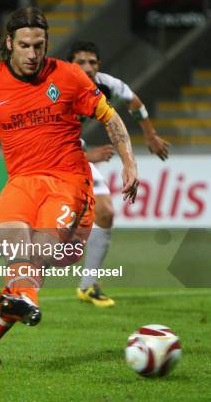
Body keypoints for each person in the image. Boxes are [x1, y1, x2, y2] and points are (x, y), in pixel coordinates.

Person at [0, 7, 139, 367]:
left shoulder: (69, 76)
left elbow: (109, 116)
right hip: (21, 181)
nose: (33, 54)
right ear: (9, 43)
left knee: (35, 256)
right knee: (10, 242)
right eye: (25, 46)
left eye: (39, 45)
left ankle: (20, 302)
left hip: (68, 182)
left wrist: (129, 162)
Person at [69, 40, 170, 307]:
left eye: (92, 62)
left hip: (75, 155)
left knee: (105, 213)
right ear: (70, 65)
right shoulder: (56, 87)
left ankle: (88, 286)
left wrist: (150, 134)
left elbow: (134, 102)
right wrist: (88, 155)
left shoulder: (106, 84)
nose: (87, 68)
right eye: (81, 62)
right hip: (45, 159)